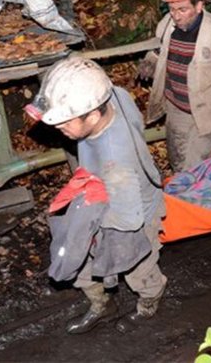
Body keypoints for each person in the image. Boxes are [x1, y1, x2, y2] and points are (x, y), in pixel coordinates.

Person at [30, 57, 167, 334]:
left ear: (93, 115)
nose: (59, 129)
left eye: (64, 123)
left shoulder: (116, 161)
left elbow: (127, 220)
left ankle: (149, 303)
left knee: (138, 269)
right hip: (102, 193)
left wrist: (92, 231)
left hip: (131, 214)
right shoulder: (114, 96)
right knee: (81, 263)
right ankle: (103, 304)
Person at [139, 0, 211, 172]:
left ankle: (191, 202)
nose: (175, 15)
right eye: (172, 8)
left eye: (183, 9)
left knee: (195, 168)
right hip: (175, 107)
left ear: (199, 5)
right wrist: (151, 59)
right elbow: (160, 48)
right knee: (177, 161)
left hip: (204, 113)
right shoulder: (167, 23)